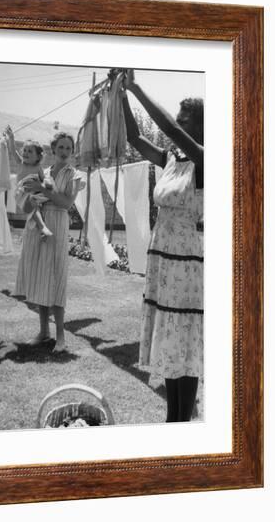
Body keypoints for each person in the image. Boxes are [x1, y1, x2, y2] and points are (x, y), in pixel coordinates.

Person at [122, 69, 204, 422]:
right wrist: (120, 95)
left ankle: (181, 419)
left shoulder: (205, 160)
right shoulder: (173, 161)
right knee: (171, 343)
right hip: (164, 260)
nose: (178, 126)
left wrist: (135, 86)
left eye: (187, 121)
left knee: (183, 340)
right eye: (180, 118)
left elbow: (169, 128)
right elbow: (134, 137)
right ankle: (176, 416)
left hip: (186, 264)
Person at [14, 132, 84, 352]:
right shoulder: (41, 172)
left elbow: (65, 203)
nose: (64, 151)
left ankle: (61, 337)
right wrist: (30, 197)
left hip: (58, 224)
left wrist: (43, 190)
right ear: (53, 149)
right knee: (41, 277)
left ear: (72, 152)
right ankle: (44, 332)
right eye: (61, 147)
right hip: (39, 224)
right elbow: (27, 204)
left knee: (56, 277)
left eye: (68, 148)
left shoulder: (74, 175)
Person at [4, 125, 53, 239]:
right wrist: (11, 138)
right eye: (24, 150)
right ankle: (42, 227)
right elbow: (12, 151)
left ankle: (39, 230)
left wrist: (47, 183)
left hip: (34, 195)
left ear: (38, 157)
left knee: (39, 208)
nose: (25, 153)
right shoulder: (21, 162)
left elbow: (43, 179)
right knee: (33, 206)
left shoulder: (38, 168)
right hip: (21, 194)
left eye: (30, 151)